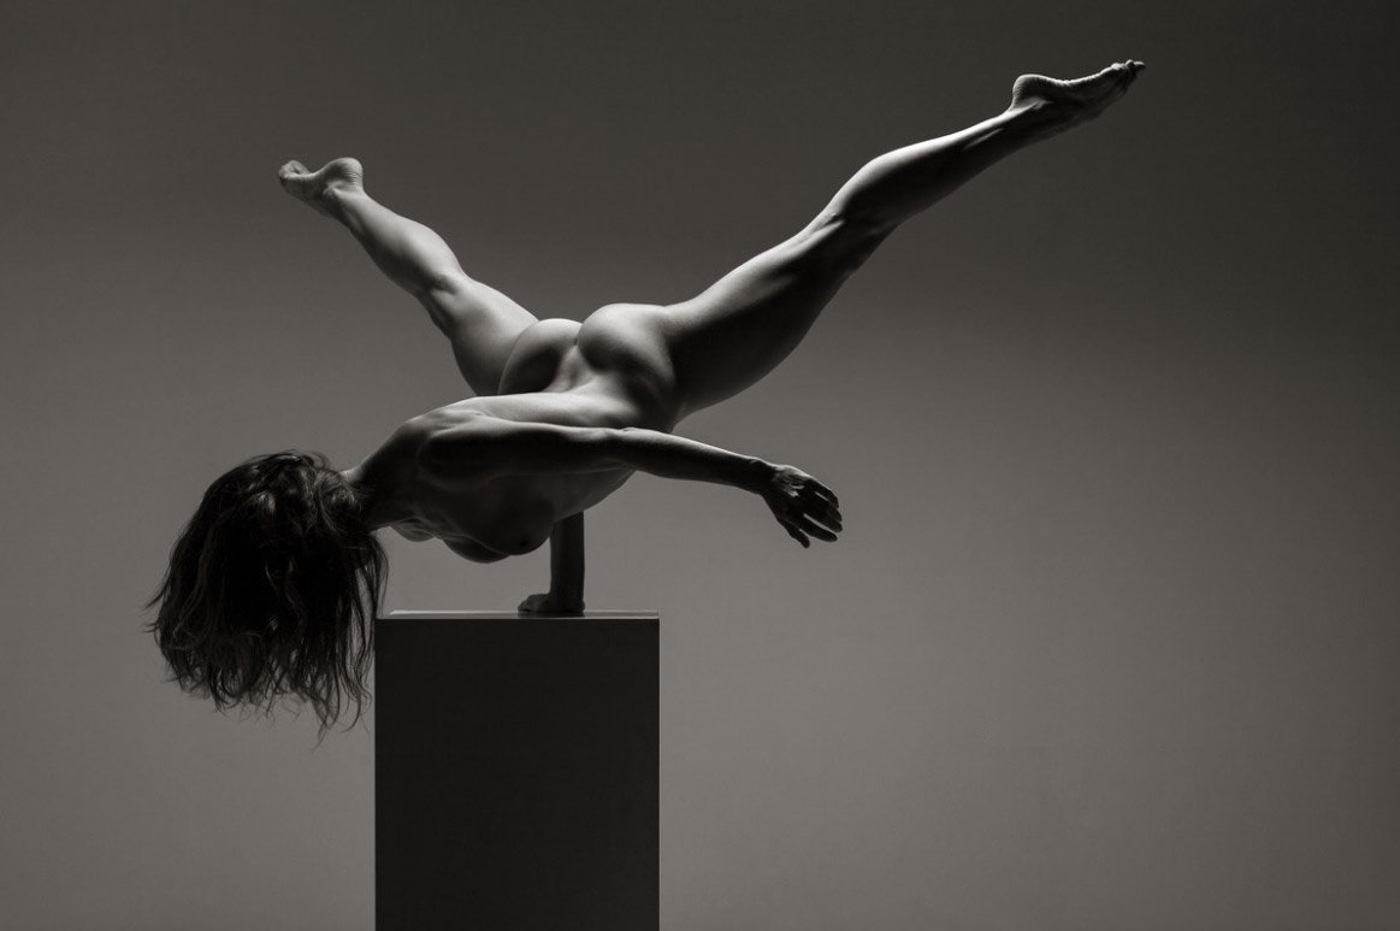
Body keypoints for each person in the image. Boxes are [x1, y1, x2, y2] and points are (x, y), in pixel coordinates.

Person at [147, 62, 1145, 731]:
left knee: (842, 238)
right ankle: (343, 190)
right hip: (541, 378)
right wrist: (566, 599)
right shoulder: (390, 508)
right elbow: (559, 482)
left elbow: (612, 440)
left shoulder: (440, 455)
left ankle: (1029, 116)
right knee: (443, 289)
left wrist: (759, 476)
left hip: (632, 366)